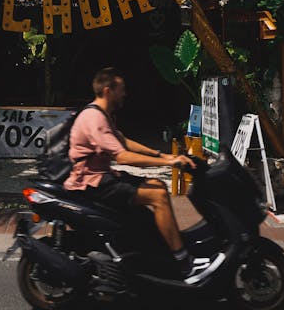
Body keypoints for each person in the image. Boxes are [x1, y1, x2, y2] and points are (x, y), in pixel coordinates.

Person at [63, 67, 225, 284]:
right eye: (121, 89)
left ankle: (159, 250)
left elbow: (124, 141)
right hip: (93, 183)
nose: (125, 94)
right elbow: (123, 157)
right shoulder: (94, 118)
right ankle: (184, 263)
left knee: (157, 185)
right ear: (108, 90)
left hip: (103, 177)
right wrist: (169, 161)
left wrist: (161, 154)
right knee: (157, 196)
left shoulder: (103, 115)